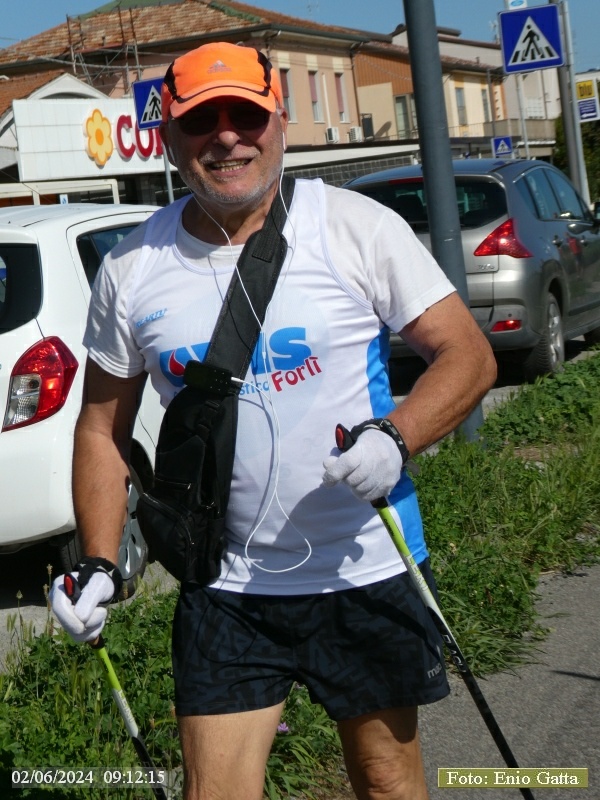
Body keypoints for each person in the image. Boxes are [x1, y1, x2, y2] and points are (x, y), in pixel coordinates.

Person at [50, 41, 497, 800]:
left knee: (386, 780)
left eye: (246, 115)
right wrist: (97, 561)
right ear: (169, 138)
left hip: (363, 565)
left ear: (280, 121)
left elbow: (468, 354)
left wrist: (396, 437)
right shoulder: (131, 267)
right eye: (202, 121)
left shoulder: (354, 226)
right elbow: (100, 429)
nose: (227, 137)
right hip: (224, 583)